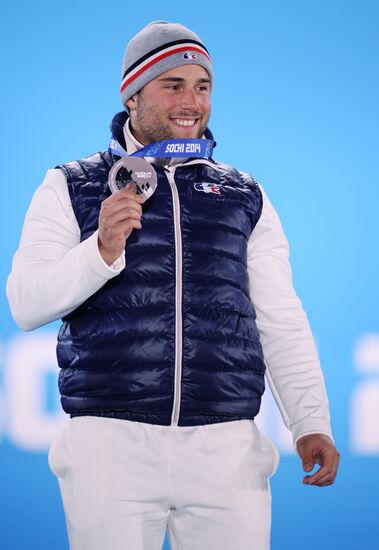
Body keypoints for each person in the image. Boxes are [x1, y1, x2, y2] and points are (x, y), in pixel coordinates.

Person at [6, 20, 340, 550]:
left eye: (202, 86)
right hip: (109, 446)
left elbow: (280, 317)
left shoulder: (243, 193)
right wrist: (100, 251)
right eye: (173, 85)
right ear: (132, 95)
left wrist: (310, 421)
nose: (192, 101)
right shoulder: (71, 184)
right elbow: (25, 303)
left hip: (225, 448)